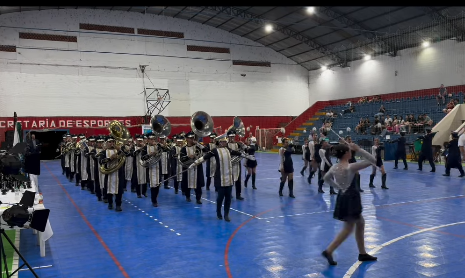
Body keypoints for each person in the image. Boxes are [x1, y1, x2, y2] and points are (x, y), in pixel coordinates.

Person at [321, 143, 378, 265]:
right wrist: (359, 149)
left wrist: (338, 187)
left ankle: (362, 253)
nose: (351, 152)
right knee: (348, 228)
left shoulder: (335, 167)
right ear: (347, 153)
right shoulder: (350, 167)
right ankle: (329, 251)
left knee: (360, 222)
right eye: (350, 151)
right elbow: (373, 160)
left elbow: (326, 178)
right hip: (351, 199)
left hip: (343, 197)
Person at [189, 137, 255, 222]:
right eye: (222, 142)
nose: (224, 143)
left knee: (228, 198)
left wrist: (248, 157)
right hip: (219, 178)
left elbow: (238, 153)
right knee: (220, 197)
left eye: (225, 142)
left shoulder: (229, 150)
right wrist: (194, 163)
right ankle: (218, 212)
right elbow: (205, 157)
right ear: (219, 143)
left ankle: (226, 214)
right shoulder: (215, 151)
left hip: (229, 178)